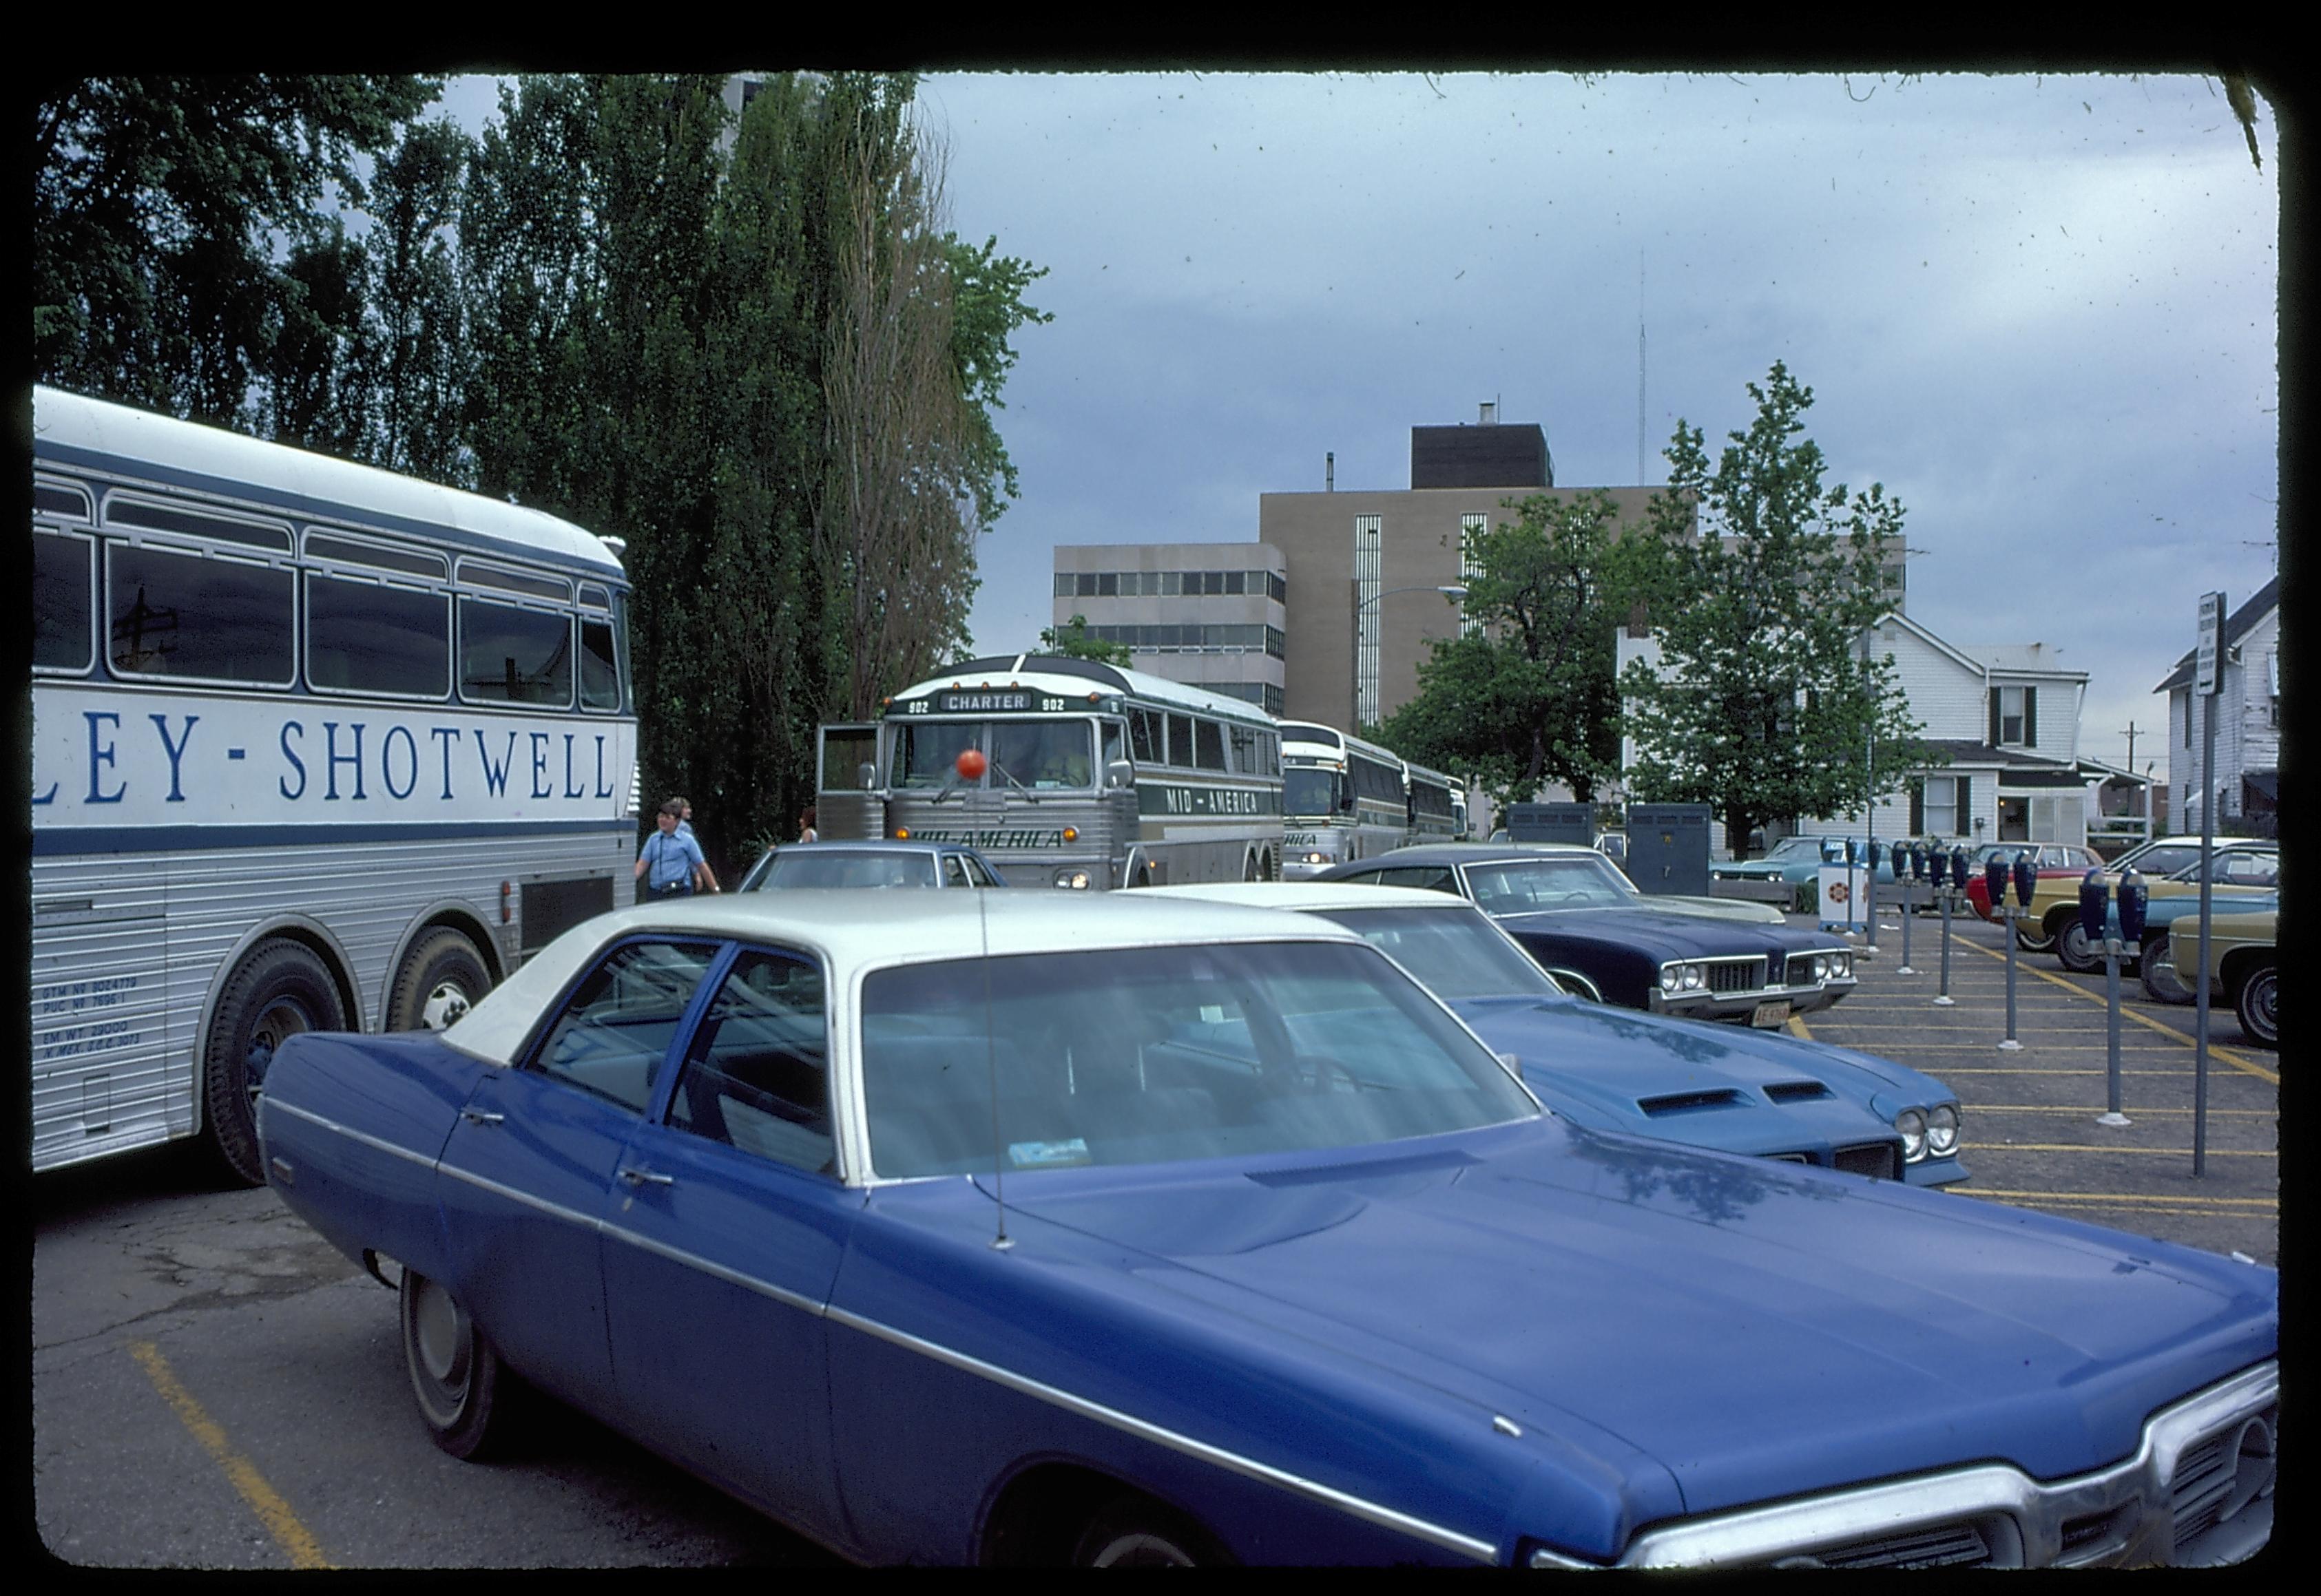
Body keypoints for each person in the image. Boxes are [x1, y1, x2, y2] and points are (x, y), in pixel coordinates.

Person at [635, 798, 718, 899]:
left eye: (667, 817)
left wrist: (716, 890)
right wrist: (630, 880)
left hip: (679, 890)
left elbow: (701, 865)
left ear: (677, 821)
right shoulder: (653, 839)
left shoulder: (687, 840)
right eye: (661, 816)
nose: (663, 820)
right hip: (656, 891)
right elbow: (642, 864)